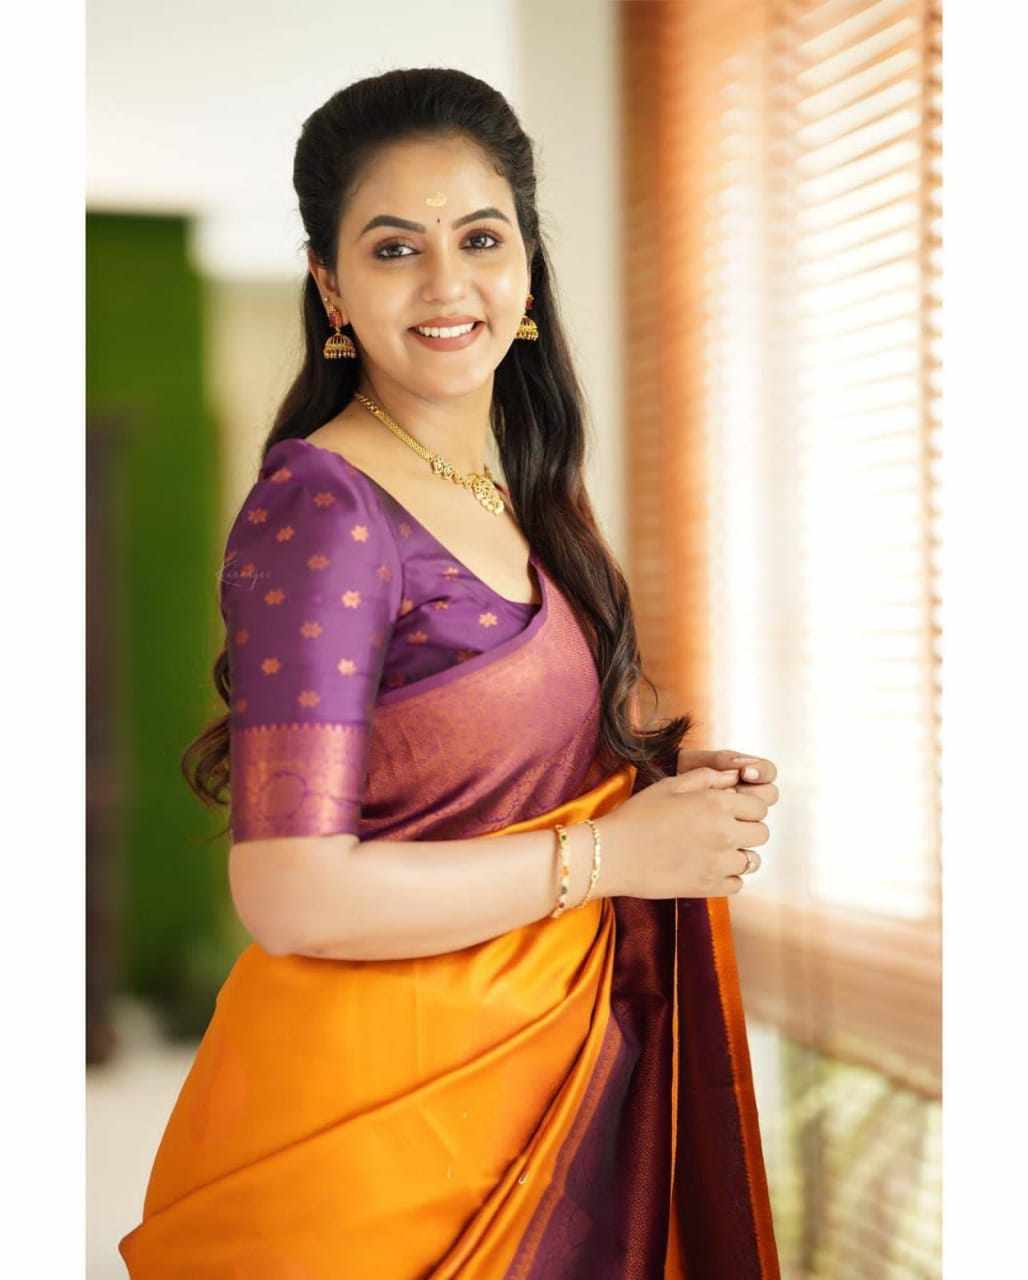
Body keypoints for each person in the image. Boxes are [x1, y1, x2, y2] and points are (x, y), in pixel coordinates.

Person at [118, 67, 781, 1278]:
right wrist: (613, 855)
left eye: (479, 237)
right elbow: (290, 892)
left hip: (536, 1089)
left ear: (526, 261)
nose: (445, 284)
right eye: (393, 249)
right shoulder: (324, 508)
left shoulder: (515, 489)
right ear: (330, 286)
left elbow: (474, 785)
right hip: (377, 1147)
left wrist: (655, 795)